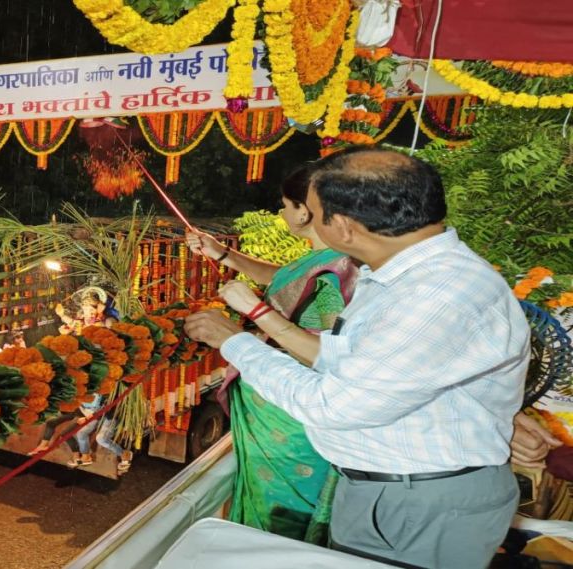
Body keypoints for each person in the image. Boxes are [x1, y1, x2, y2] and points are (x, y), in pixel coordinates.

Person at [185, 148, 529, 569]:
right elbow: (346, 356)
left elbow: (332, 405)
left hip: (417, 504)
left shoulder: (436, 295)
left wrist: (236, 341)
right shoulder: (398, 278)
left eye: (312, 211)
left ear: (344, 227)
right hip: (393, 492)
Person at [185, 163, 358, 544]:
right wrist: (222, 254)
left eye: (284, 205)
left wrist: (255, 314)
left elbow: (325, 353)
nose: (281, 213)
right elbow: (282, 277)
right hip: (279, 412)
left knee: (276, 523)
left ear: (304, 210)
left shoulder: (332, 274)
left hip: (288, 421)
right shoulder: (325, 260)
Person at [66, 394, 104, 468]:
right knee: (66, 433)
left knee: (81, 433)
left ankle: (85, 457)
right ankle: (77, 456)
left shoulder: (100, 394)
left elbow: (100, 409)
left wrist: (86, 418)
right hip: (83, 413)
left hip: (93, 416)